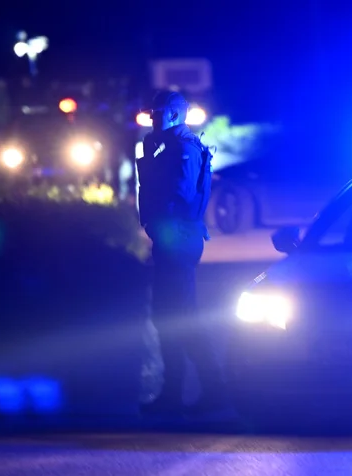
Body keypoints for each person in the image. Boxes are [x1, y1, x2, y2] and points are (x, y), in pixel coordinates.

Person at [136, 90, 228, 417]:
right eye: (152, 113)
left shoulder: (183, 148)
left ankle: (214, 390)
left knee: (184, 318)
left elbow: (180, 194)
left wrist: (160, 224)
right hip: (172, 238)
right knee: (167, 317)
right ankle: (173, 393)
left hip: (179, 237)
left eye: (157, 113)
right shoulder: (167, 147)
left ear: (175, 115)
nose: (152, 119)